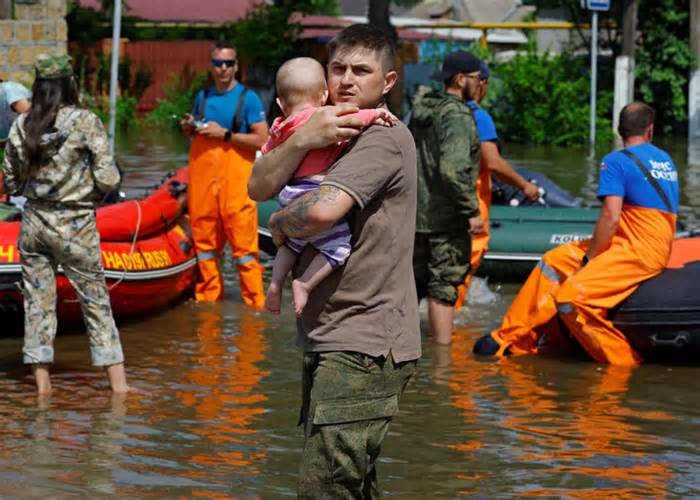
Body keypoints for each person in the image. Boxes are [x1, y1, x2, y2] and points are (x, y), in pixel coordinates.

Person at [247, 24, 420, 497]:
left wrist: (279, 224)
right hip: (333, 333)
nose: (346, 80)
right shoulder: (321, 127)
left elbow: (321, 211)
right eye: (338, 68)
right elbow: (255, 186)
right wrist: (302, 141)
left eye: (361, 71)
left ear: (387, 82)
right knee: (353, 485)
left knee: (326, 487)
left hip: (365, 340)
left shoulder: (379, 137)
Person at [476, 101, 678, 365]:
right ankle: (513, 337)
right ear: (650, 130)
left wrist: (590, 260)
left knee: (570, 298)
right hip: (642, 242)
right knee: (554, 261)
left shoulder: (615, 162)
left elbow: (611, 217)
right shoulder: (666, 159)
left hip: (638, 251)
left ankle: (626, 363)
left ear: (619, 130)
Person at [2, 53, 129, 394]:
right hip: (75, 225)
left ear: (38, 86)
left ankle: (42, 393)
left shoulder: (21, 125)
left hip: (34, 224)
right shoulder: (86, 122)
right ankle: (119, 393)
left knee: (38, 306)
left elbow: (11, 184)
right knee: (96, 305)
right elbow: (107, 177)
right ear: (70, 83)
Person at [262, 56, 394, 316]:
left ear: (280, 103)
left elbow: (266, 156)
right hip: (314, 190)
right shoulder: (322, 116)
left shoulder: (279, 127)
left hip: (290, 194)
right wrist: (377, 114)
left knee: (291, 244)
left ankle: (276, 283)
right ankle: (304, 284)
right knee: (339, 248)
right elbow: (355, 118)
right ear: (324, 95)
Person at [180, 41, 269, 306]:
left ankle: (256, 308)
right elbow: (196, 133)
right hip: (204, 184)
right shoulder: (203, 97)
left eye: (228, 63)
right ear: (211, 67)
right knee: (205, 248)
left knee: (244, 252)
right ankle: (208, 307)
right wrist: (189, 127)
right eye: (218, 63)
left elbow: (262, 139)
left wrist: (226, 135)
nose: (223, 69)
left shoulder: (248, 98)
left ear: (236, 66)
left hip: (236, 185)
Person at [409, 50, 483, 345]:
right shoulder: (456, 115)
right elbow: (452, 170)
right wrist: (471, 210)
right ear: (461, 79)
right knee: (443, 288)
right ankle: (442, 367)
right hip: (445, 221)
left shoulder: (423, 111)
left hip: (415, 217)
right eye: (477, 79)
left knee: (409, 289)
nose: (480, 85)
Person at [454, 62, 540, 307]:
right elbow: (491, 162)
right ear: (481, 83)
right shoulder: (478, 116)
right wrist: (525, 186)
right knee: (463, 267)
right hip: (471, 203)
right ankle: (454, 337)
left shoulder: (437, 112)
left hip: (438, 204)